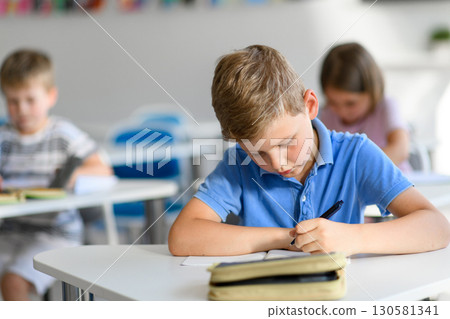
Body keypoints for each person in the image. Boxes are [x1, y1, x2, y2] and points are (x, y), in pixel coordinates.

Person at [168, 44, 450, 257]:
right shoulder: (238, 163)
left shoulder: (356, 154)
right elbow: (182, 237)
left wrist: (355, 238)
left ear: (310, 106)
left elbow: (436, 227)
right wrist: (286, 238)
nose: (277, 164)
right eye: (257, 151)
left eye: (286, 143)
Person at [0, 49, 113, 300]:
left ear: (51, 96)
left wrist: (72, 174)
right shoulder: (4, 137)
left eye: (30, 100)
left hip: (55, 234)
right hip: (10, 232)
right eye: (13, 101)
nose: (22, 109)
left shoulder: (62, 134)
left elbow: (102, 169)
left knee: (12, 282)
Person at [319, 42, 411, 171]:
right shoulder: (325, 114)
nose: (342, 111)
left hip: (392, 184)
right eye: (333, 102)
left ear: (372, 91)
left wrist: (357, 170)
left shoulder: (386, 106)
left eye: (350, 103)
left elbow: (400, 150)